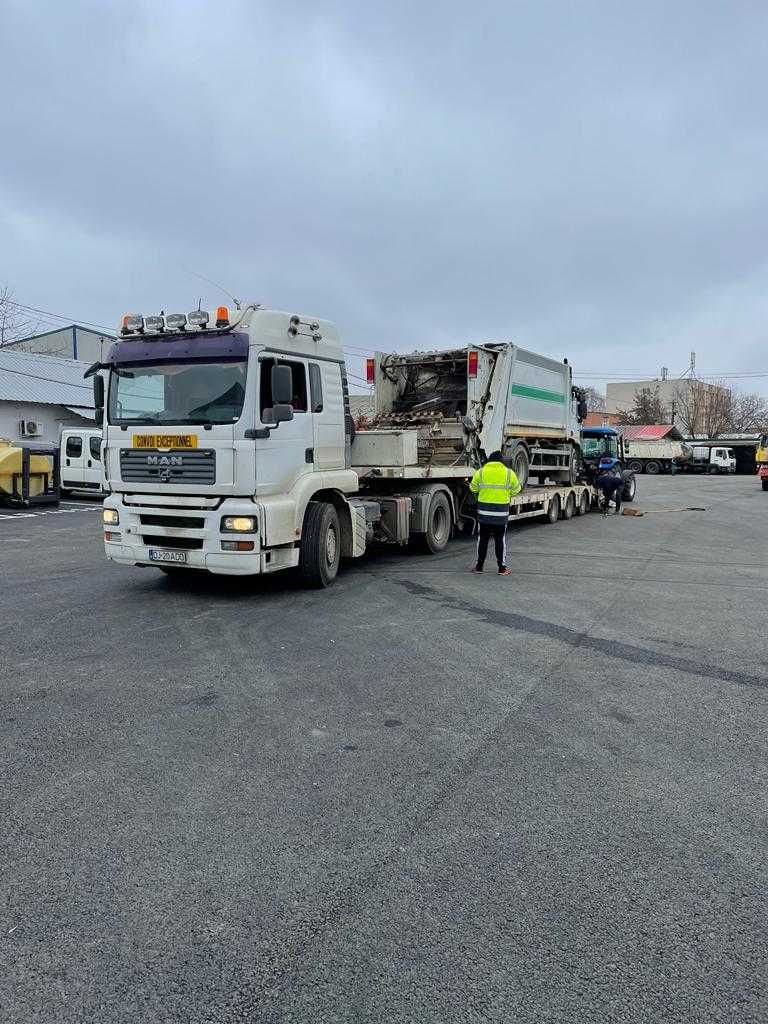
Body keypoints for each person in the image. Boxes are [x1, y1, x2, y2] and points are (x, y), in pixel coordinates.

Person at [469, 451, 522, 574]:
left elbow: (473, 488)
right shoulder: (509, 473)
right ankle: (502, 568)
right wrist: (506, 494)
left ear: (489, 461)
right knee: (500, 539)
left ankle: (479, 567)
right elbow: (517, 490)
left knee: (482, 539)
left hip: (484, 514)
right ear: (501, 461)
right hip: (501, 514)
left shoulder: (480, 472)